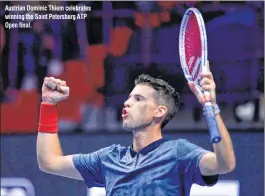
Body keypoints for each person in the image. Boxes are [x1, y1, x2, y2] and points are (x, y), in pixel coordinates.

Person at [37, 62, 236, 196]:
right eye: (129, 97)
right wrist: (48, 104)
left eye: (138, 99)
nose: (127, 103)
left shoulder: (179, 153)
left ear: (159, 111)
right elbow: (49, 162)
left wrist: (211, 105)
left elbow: (224, 164)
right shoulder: (109, 159)